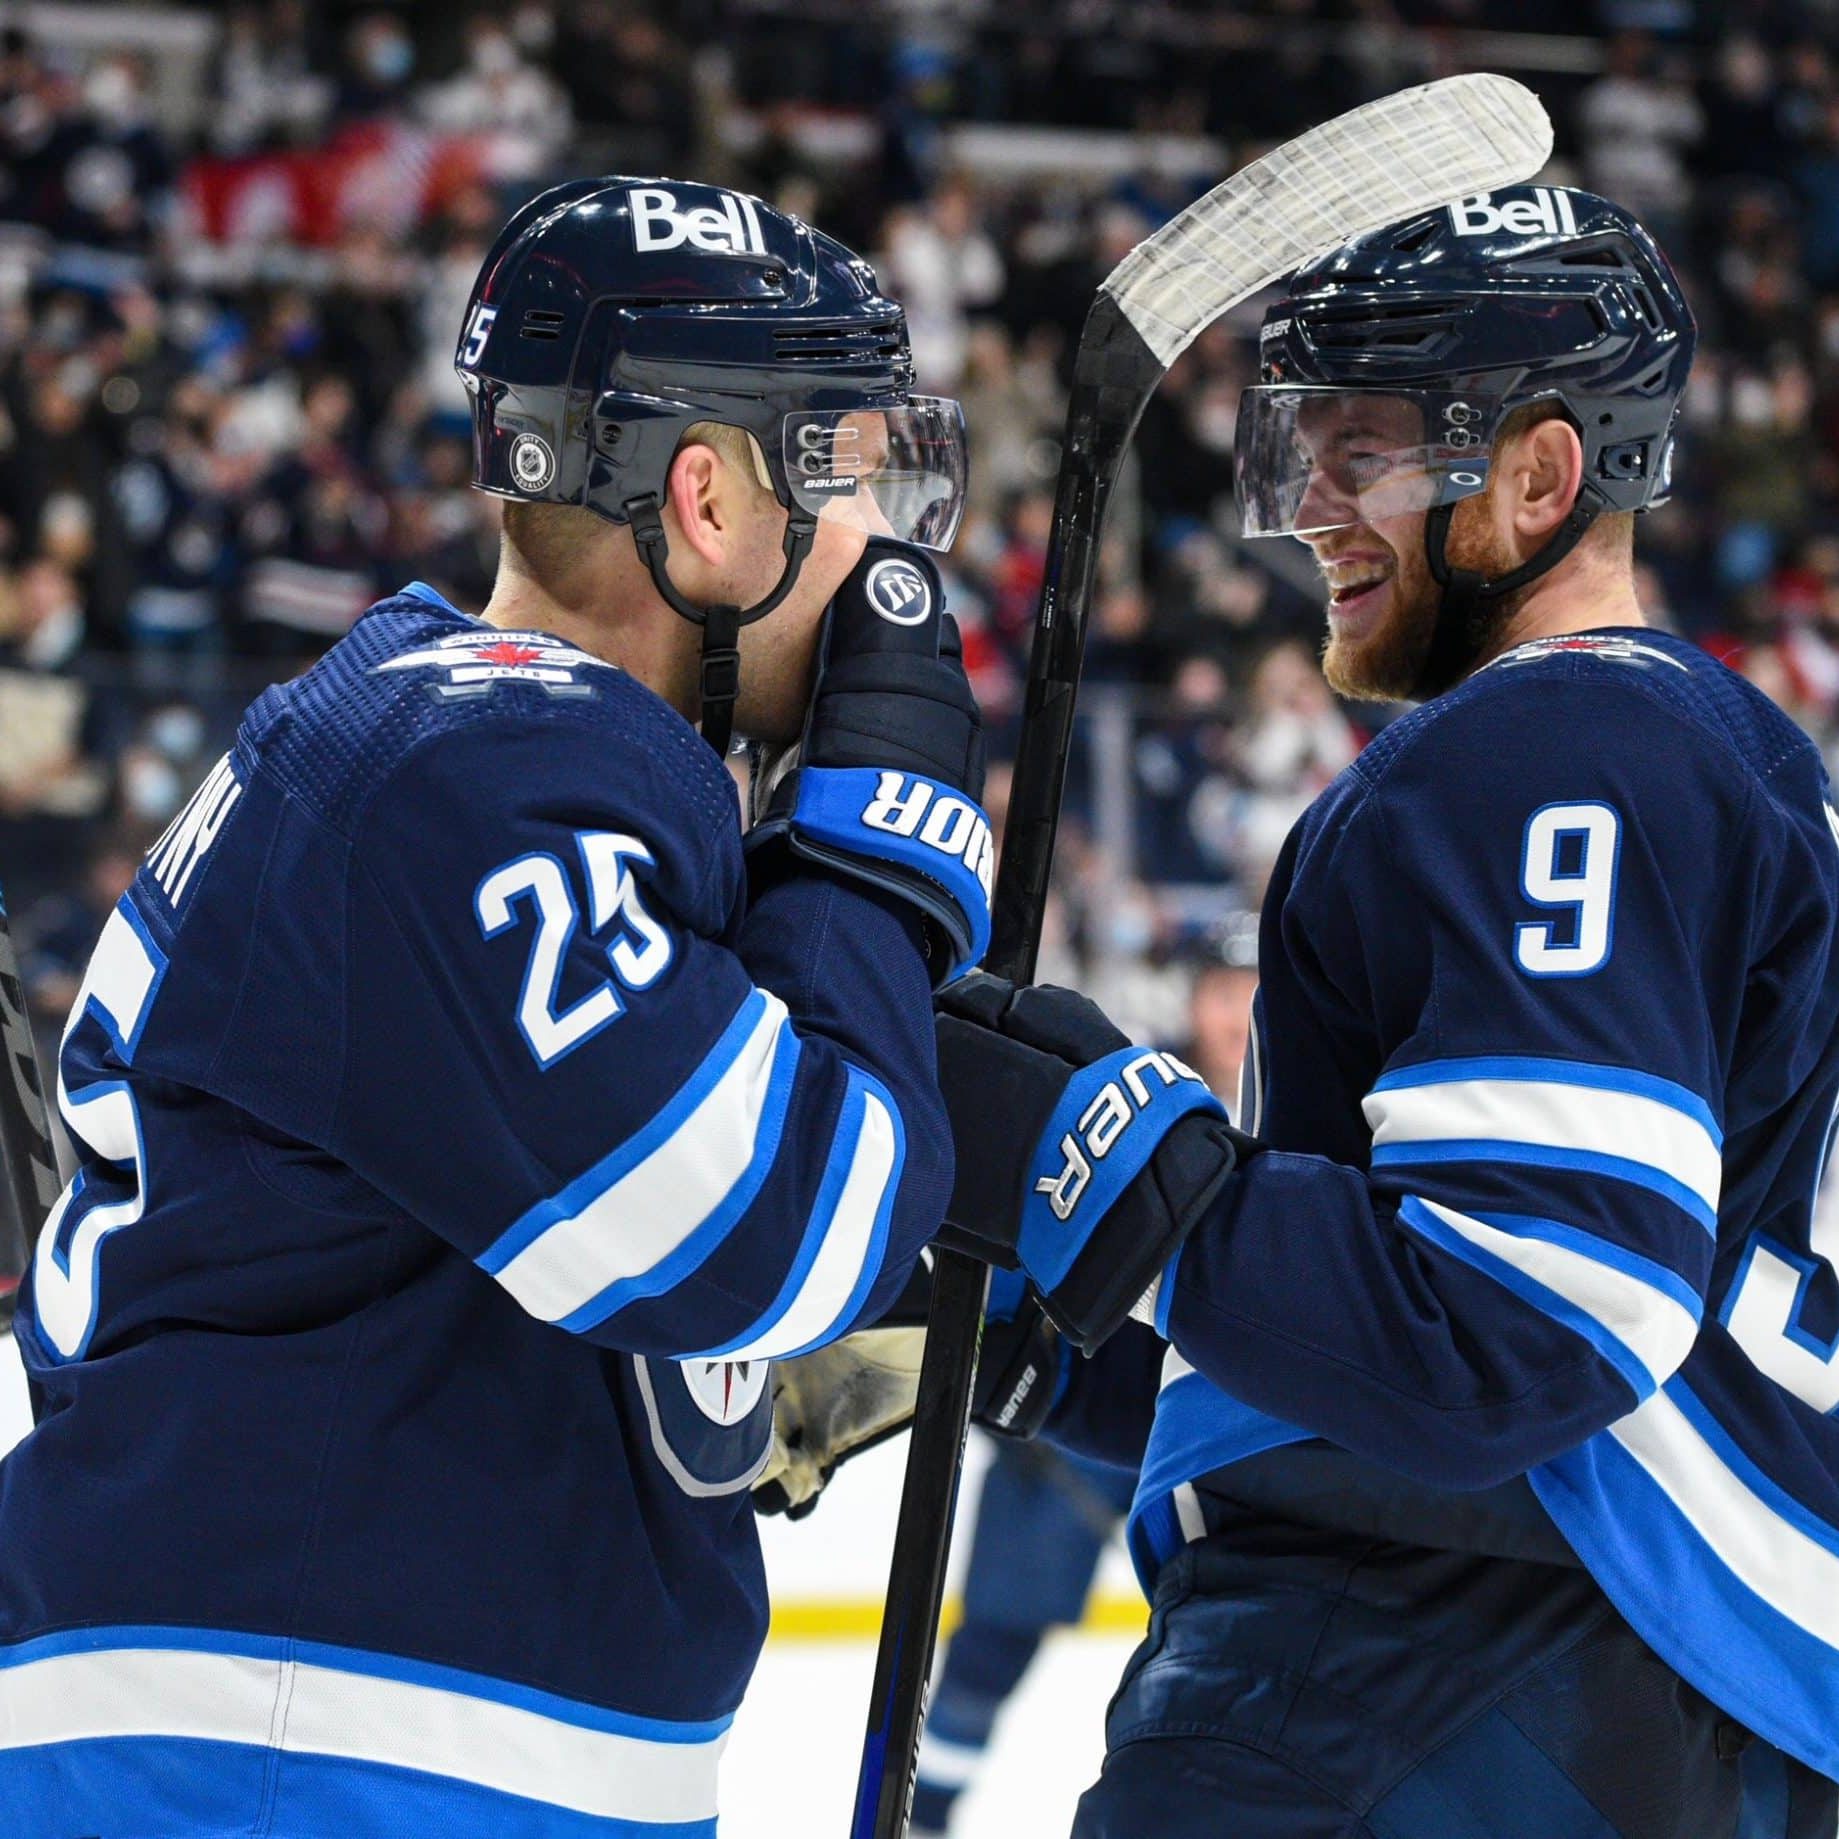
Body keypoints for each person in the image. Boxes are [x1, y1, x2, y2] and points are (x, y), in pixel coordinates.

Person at [0, 177, 988, 1836]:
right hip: (296, 1749)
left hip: (327, 1733)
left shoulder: (459, 756)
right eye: (850, 482)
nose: (884, 555)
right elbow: (771, 1240)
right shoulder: (477, 771)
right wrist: (875, 860)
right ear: (707, 500)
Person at [930, 187, 1839, 1837]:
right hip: (1634, 1695)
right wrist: (1047, 1346)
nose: (1310, 511)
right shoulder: (1717, 756)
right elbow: (1442, 1355)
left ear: (1542, 477)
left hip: (1439, 1680)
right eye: (1304, 450)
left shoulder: (1559, 747)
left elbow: (1527, 1323)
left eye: (1366, 456)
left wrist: (1094, 1151)